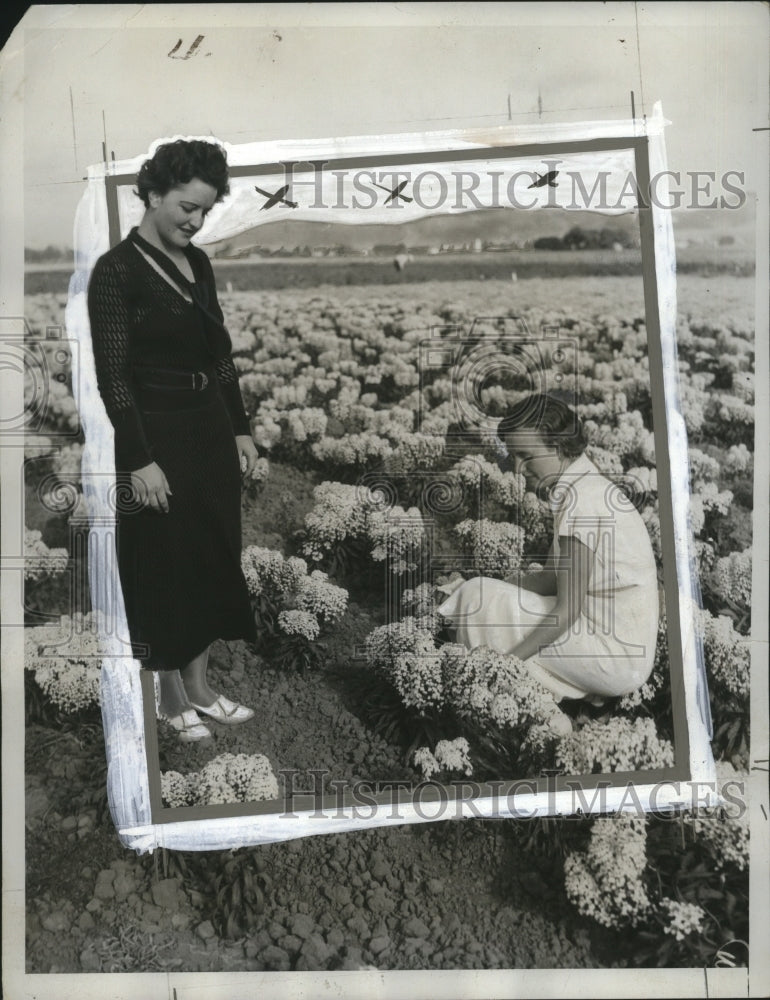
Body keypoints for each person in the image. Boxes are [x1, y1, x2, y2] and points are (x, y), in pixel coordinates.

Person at [88, 139, 259, 742]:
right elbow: (112, 377)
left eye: (205, 211)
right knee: (164, 562)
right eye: (186, 206)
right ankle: (167, 695)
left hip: (208, 427)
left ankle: (201, 688)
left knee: (212, 555)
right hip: (155, 434)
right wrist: (139, 460)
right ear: (154, 194)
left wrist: (239, 427)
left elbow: (221, 357)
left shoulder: (201, 264)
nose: (195, 219)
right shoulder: (116, 273)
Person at [438, 394, 660, 704]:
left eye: (525, 455)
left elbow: (566, 612)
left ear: (557, 447)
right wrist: (477, 586)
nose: (517, 468)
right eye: (513, 455)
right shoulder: (583, 486)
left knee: (478, 601)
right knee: (478, 593)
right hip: (615, 645)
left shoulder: (582, 502)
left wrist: (506, 665)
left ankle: (488, 691)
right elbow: (551, 579)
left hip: (613, 656)